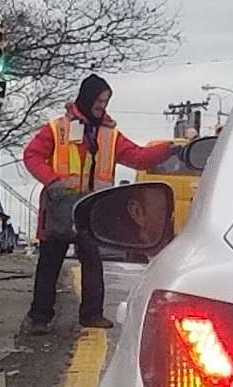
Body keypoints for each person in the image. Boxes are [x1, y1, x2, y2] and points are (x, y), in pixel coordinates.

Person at [21, 74, 178, 334]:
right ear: (87, 97)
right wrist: (53, 182)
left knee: (92, 262)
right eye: (99, 100)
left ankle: (91, 315)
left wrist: (168, 148)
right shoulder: (57, 128)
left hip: (91, 209)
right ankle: (40, 318)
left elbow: (139, 157)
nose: (102, 105)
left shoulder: (110, 135)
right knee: (49, 263)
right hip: (61, 206)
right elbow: (32, 156)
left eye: (105, 101)